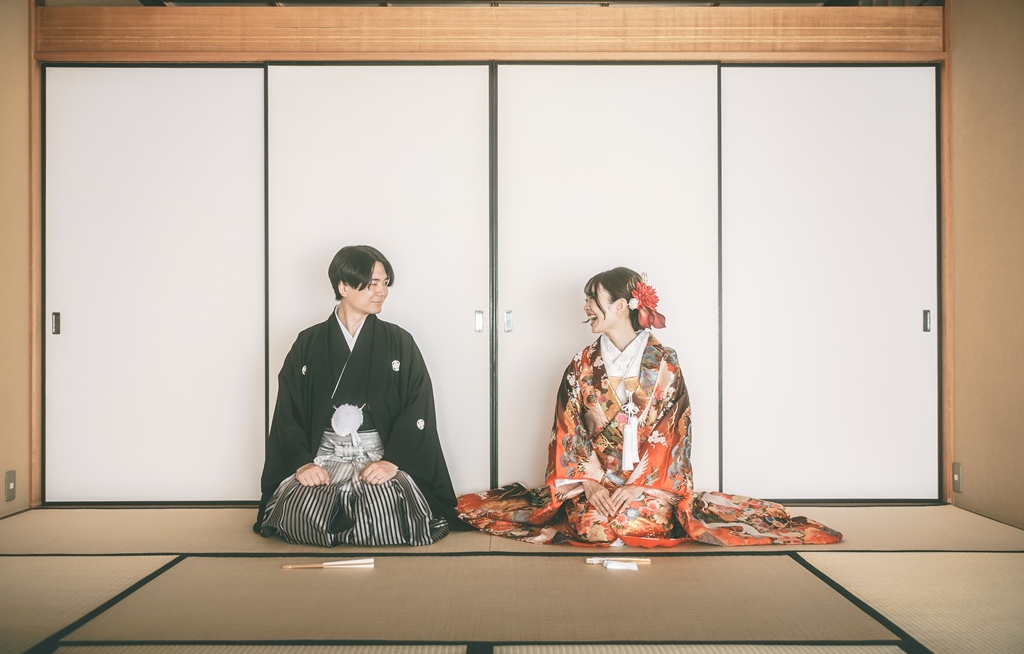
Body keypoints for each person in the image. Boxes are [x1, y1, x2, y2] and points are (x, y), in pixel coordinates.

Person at [457, 267, 842, 547]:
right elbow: (567, 428)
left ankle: (639, 503)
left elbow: (674, 431)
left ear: (621, 305)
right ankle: (599, 503)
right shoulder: (582, 365)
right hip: (596, 481)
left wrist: (639, 485)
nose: (586, 306)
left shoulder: (665, 363)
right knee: (594, 529)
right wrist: (590, 483)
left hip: (649, 482)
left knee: (637, 524)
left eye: (593, 299)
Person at [255, 245, 461, 546]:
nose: (382, 291)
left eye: (385, 283)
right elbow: (289, 411)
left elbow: (418, 406)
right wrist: (302, 463)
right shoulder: (308, 342)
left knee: (385, 515)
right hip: (324, 459)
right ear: (344, 287)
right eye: (373, 283)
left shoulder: (399, 341)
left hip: (377, 459)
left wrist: (393, 461)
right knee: (299, 514)